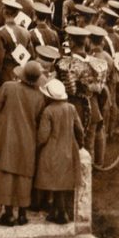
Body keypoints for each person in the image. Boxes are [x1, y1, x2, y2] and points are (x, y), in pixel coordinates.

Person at [0, 60, 46, 226]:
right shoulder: (39, 96)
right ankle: (22, 213)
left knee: (6, 173)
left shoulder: (8, 87)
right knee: (24, 174)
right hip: (28, 137)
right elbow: (38, 118)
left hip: (6, 135)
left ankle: (8, 213)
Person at [34, 78, 84, 225]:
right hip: (68, 147)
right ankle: (57, 212)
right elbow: (79, 129)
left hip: (52, 149)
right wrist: (80, 144)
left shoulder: (48, 111)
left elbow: (43, 135)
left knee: (54, 182)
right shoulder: (71, 108)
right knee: (62, 182)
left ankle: (60, 213)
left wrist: (37, 146)